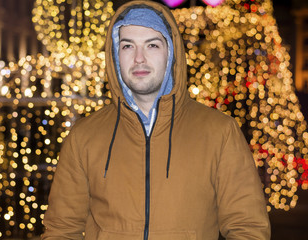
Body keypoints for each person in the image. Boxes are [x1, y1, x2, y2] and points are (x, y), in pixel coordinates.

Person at [41, 1, 271, 239]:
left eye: (152, 45)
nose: (139, 58)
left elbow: (248, 227)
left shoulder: (219, 131)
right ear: (115, 55)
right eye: (128, 46)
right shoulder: (85, 136)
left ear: (171, 53)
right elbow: (61, 229)